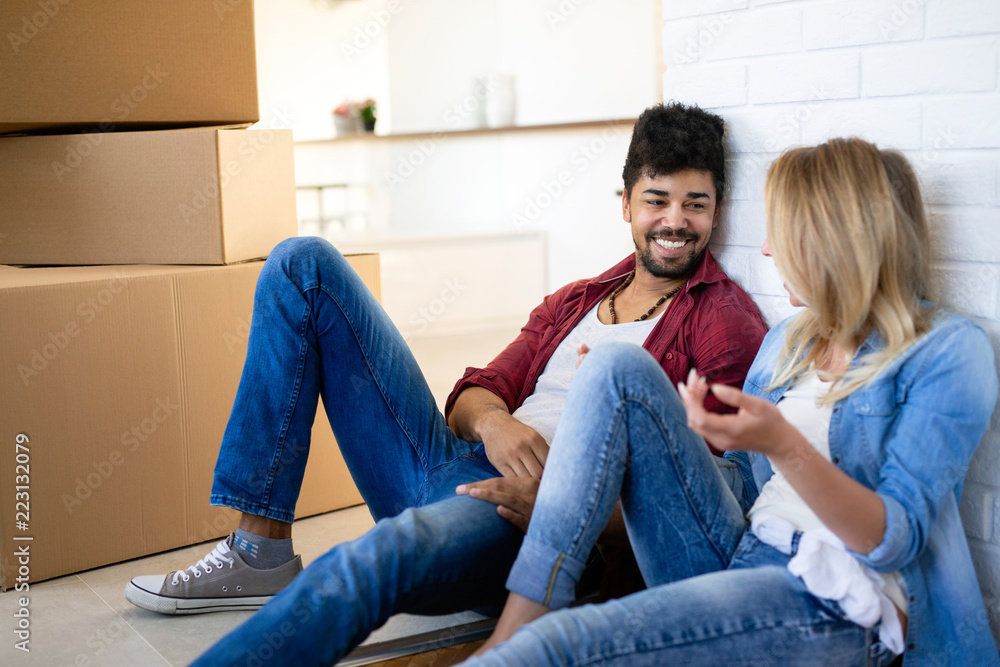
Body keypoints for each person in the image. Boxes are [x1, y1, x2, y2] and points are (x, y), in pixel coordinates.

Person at [125, 102, 768, 665]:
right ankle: (258, 551)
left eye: (696, 204)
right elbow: (472, 394)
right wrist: (497, 423)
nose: (675, 221)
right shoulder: (576, 300)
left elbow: (702, 502)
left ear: (717, 212)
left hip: (518, 519)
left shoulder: (722, 321)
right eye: (657, 200)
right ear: (625, 203)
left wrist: (568, 509)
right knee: (303, 263)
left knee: (368, 558)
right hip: (447, 466)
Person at [462, 138, 1000, 666]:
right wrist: (671, 432)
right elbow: (744, 485)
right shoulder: (790, 341)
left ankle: (516, 644)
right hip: (742, 552)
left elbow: (892, 541)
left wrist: (784, 445)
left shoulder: (946, 350)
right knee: (612, 366)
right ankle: (520, 619)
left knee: (562, 646)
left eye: (779, 232)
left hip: (835, 597)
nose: (765, 249)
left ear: (831, 238)